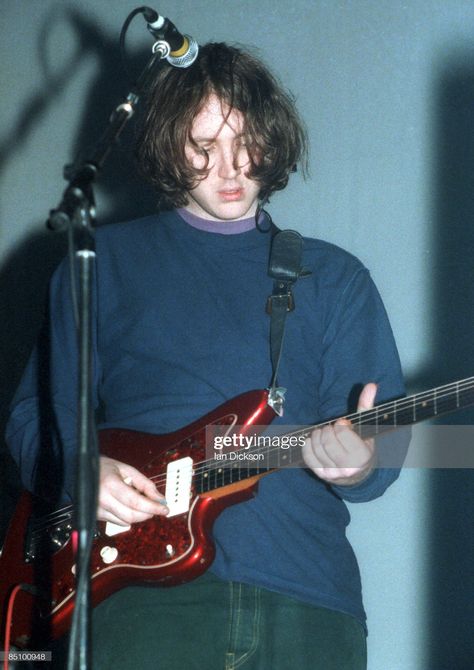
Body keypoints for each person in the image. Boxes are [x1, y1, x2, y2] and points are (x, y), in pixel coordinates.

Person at [6, 42, 405, 669]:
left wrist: (359, 462)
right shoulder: (102, 264)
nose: (230, 168)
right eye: (203, 147)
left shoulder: (334, 277)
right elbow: (34, 416)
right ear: (170, 145)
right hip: (141, 598)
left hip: (309, 596)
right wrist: (82, 468)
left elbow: (391, 445)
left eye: (247, 144)